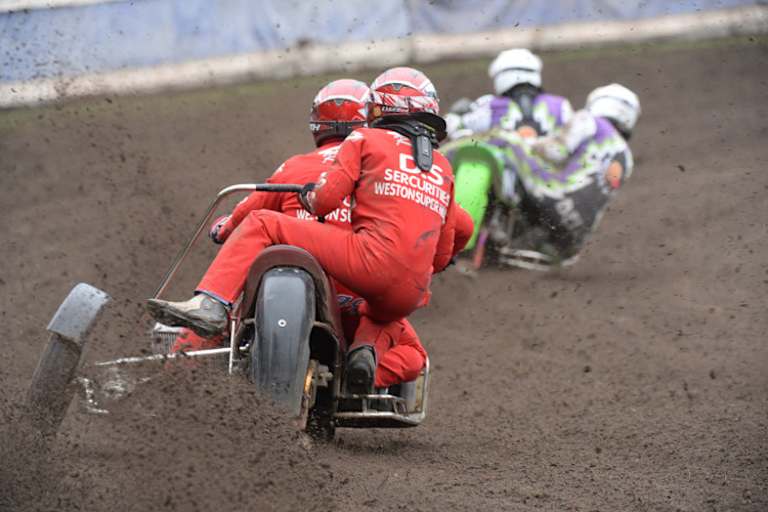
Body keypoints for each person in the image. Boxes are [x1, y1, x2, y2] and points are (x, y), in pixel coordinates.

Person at [148, 68, 462, 393]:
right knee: (409, 349)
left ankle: (188, 347)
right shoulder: (440, 167)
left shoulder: (316, 159)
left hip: (337, 270)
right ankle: (345, 380)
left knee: (256, 242)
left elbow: (254, 212)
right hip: (373, 296)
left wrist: (225, 228)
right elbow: (446, 247)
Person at [504, 82, 641, 263]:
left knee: (506, 145)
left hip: (553, 198)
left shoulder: (591, 121)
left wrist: (525, 143)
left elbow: (554, 152)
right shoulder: (627, 158)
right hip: (575, 235)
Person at [445, 48, 573, 141]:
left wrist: (455, 114)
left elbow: (451, 127)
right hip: (550, 175)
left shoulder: (491, 105)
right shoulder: (560, 105)